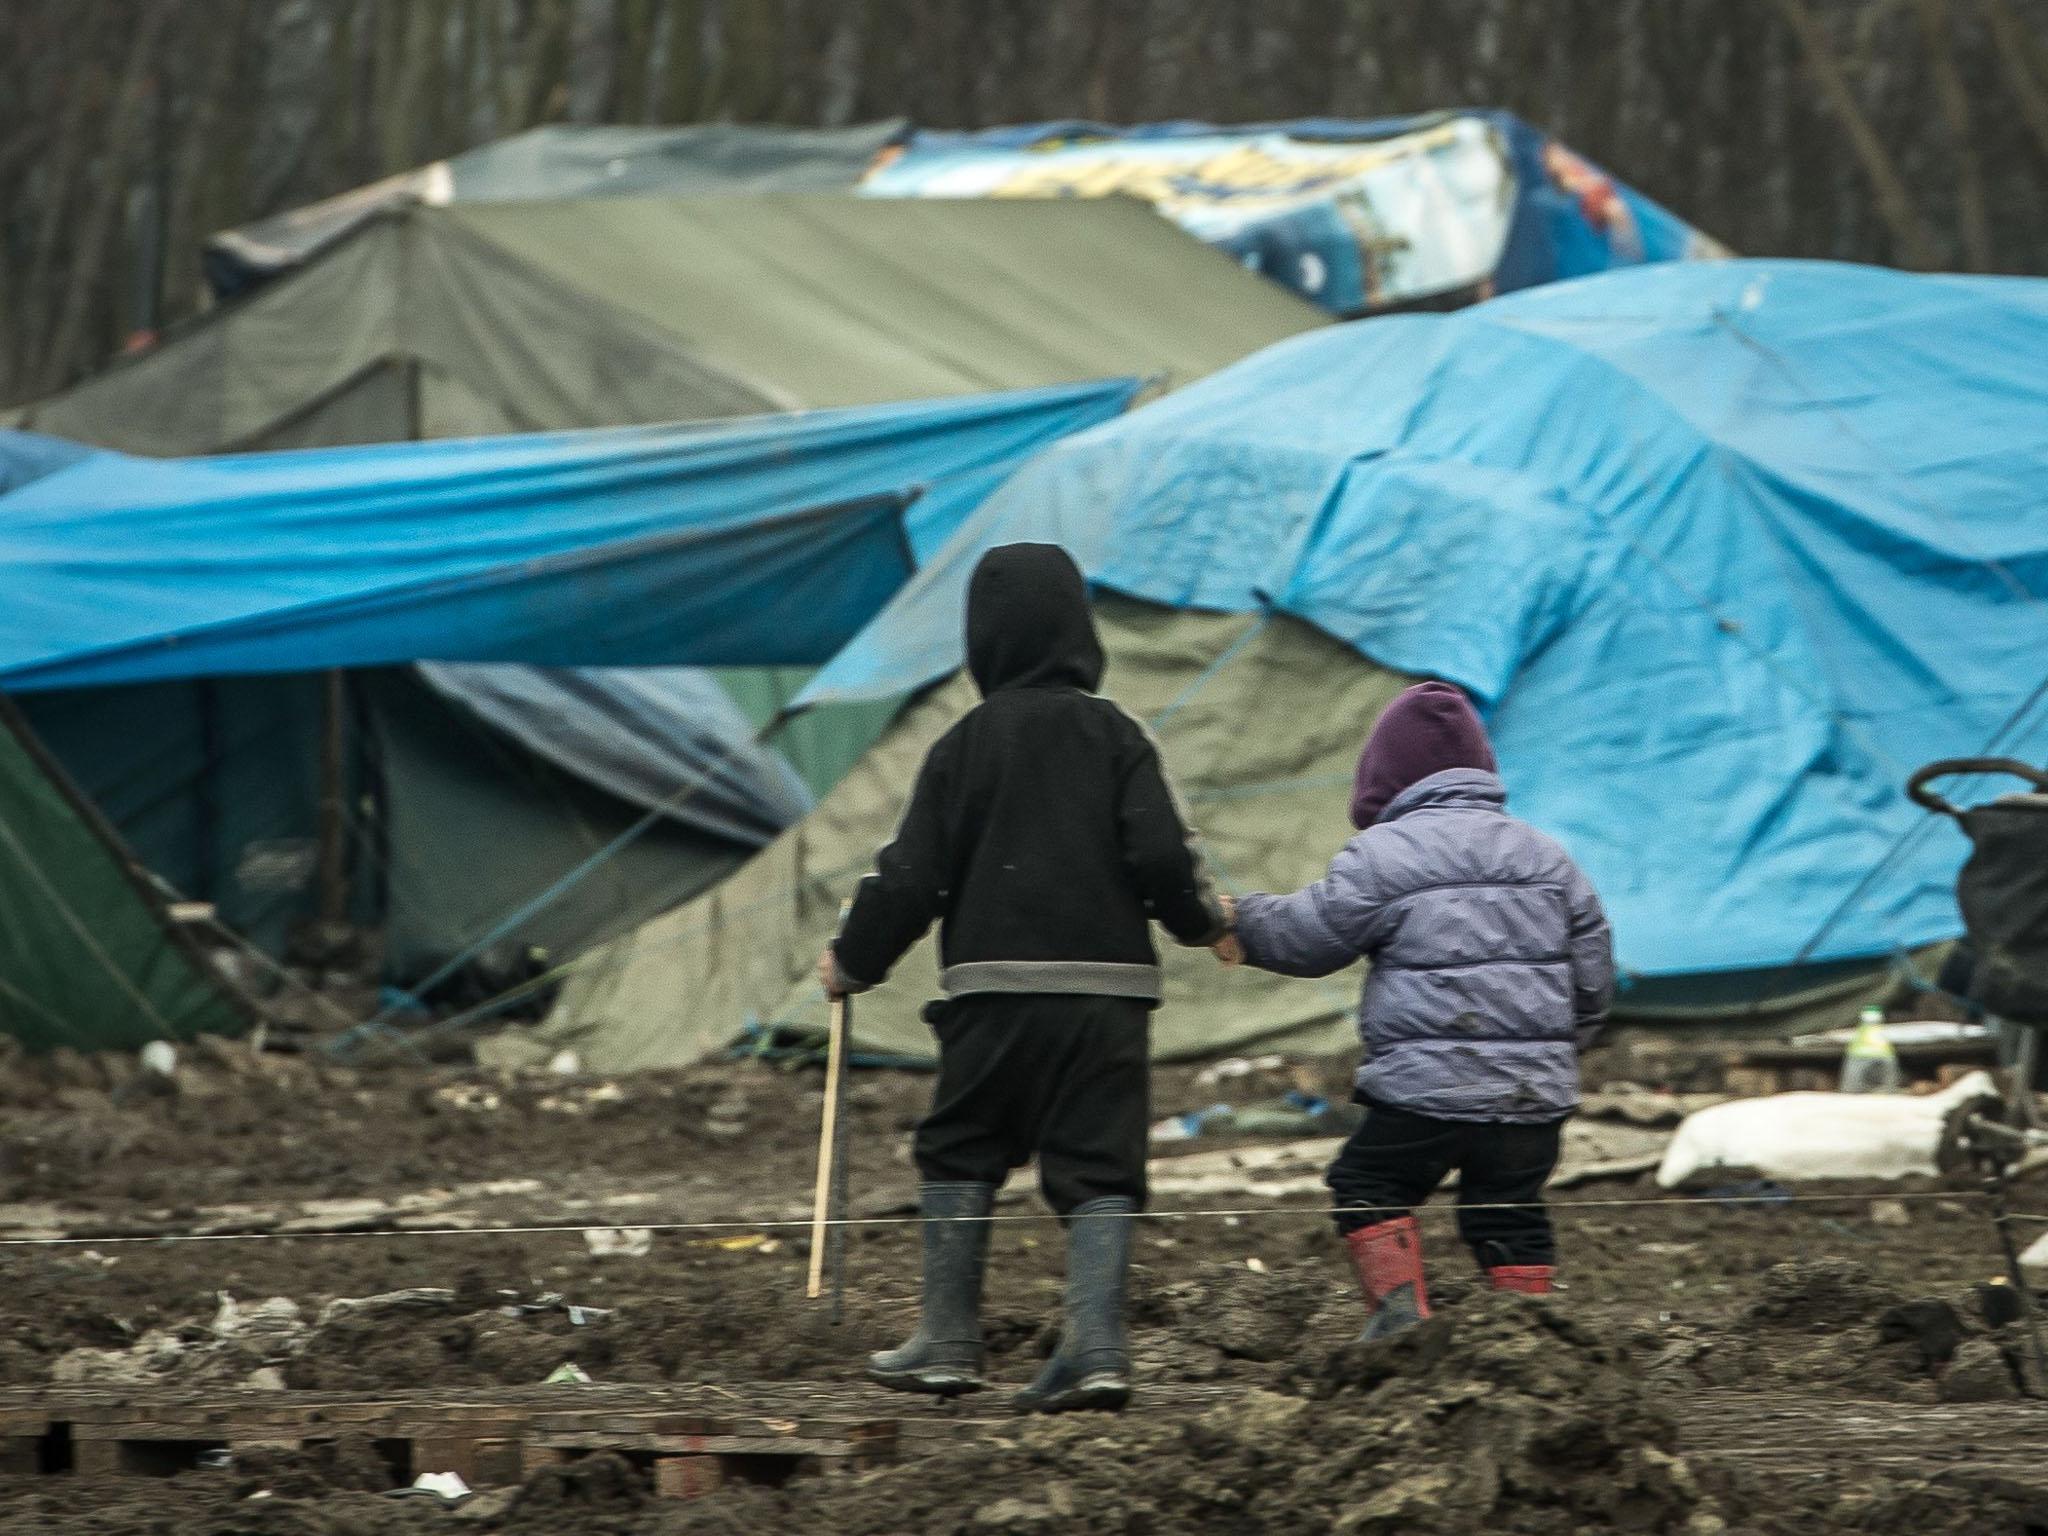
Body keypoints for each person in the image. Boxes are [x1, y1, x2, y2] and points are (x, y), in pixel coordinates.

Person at [818, 542, 1227, 1411]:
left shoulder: (962, 746)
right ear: (1083, 632)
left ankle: (950, 1342)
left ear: (982, 644)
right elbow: (1162, 851)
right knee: (1100, 1163)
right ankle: (1099, 1349)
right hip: (1109, 1001)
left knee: (962, 1146)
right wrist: (1199, 923)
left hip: (993, 996)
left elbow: (909, 876)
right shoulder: (1120, 735)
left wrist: (854, 961)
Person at [1217, 681, 1613, 1338]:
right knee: (1508, 1210)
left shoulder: (1385, 855)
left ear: (1385, 778)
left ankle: (1400, 1323)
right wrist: (1550, 1051)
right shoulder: (1548, 856)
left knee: (1368, 1181)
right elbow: (1593, 978)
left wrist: (1240, 921)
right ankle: (1530, 1343)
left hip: (1427, 1088)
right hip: (1531, 1097)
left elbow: (1312, 937)